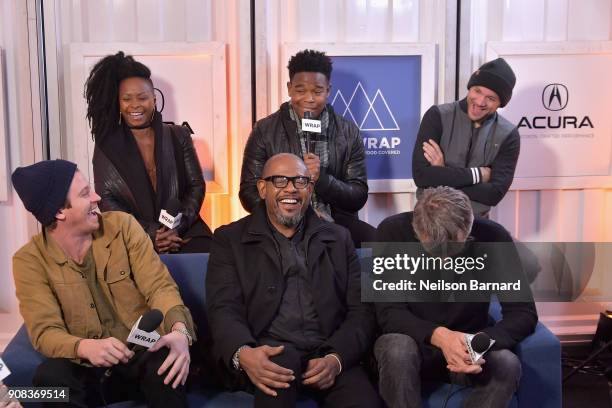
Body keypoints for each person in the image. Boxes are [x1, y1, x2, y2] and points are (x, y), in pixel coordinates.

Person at [11, 159, 195, 408]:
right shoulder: (28, 261)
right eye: (86, 193)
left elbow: (159, 287)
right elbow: (45, 332)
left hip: (140, 356)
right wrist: (84, 347)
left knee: (165, 360)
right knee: (50, 379)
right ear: (58, 211)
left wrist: (180, 331)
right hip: (86, 369)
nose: (97, 197)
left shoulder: (123, 227)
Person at [207, 153, 381, 407]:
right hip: (269, 353)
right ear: (262, 188)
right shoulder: (229, 239)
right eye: (279, 181)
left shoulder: (339, 238)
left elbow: (361, 310)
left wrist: (337, 358)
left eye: (300, 181)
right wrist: (244, 353)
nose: (291, 188)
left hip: (327, 351)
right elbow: (223, 308)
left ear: (310, 189)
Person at [373, 186, 538, 408]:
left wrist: (478, 343)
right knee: (397, 349)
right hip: (415, 342)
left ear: (468, 228)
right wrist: (441, 337)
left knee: (507, 364)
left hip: (470, 346)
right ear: (416, 229)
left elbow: (523, 312)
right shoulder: (391, 232)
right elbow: (388, 312)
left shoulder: (494, 237)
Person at [239, 49, 375, 248]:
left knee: (378, 242)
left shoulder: (348, 131)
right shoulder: (265, 130)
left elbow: (358, 195)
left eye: (317, 91)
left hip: (335, 221)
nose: (309, 99)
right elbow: (248, 191)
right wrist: (290, 214)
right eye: (300, 91)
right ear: (289, 88)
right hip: (281, 221)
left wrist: (322, 180)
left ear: (328, 90)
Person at [86, 51, 211, 253]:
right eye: (127, 99)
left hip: (184, 231)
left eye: (142, 97)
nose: (135, 105)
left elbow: (196, 186)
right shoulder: (106, 145)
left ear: (154, 98)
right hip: (132, 236)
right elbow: (108, 201)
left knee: (213, 260)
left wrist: (174, 228)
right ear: (118, 102)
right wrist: (152, 233)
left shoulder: (178, 135)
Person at [412, 58, 519, 218]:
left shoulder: (509, 135)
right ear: (470, 88)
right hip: (429, 221)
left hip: (477, 225)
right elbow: (422, 176)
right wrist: (478, 175)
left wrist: (441, 174)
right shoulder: (438, 116)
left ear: (500, 103)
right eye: (477, 91)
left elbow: (494, 194)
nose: (480, 101)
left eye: (490, 98)